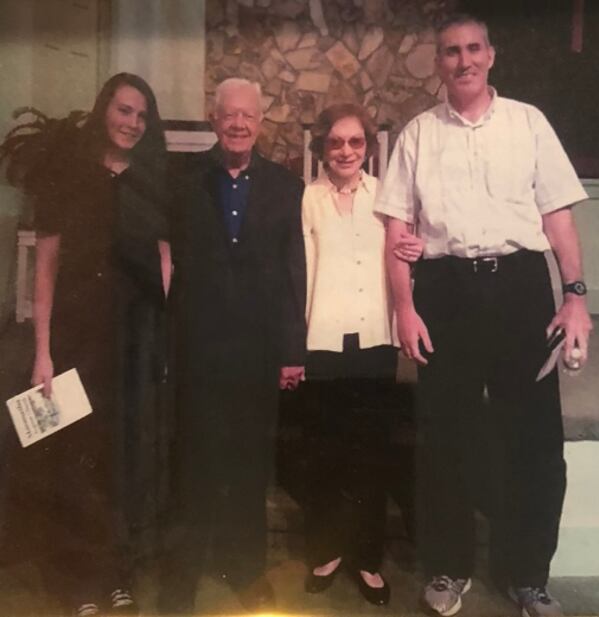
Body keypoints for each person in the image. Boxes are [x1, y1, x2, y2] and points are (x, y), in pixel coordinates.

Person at [376, 13, 592, 617]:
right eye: (451, 51)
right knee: (445, 437)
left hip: (521, 288)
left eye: (473, 49)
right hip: (445, 290)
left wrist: (574, 296)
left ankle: (528, 575)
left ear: (491, 55)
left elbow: (557, 218)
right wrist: (404, 307)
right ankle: (448, 568)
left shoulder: (529, 123)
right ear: (438, 61)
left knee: (535, 439)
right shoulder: (418, 134)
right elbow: (398, 228)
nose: (463, 60)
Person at [157, 77, 306, 614]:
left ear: (260, 122)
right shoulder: (183, 178)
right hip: (198, 347)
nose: (238, 124)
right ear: (214, 119)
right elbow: (166, 259)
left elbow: (295, 274)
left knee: (249, 467)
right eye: (229, 115)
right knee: (193, 464)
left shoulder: (288, 188)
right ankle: (180, 577)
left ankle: (244, 570)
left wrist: (292, 350)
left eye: (248, 115)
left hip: (258, 353)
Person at [29, 72, 171, 617]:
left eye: (141, 115)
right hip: (74, 337)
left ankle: (118, 575)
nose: (132, 123)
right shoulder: (64, 172)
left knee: (125, 457)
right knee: (75, 458)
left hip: (134, 339)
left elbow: (164, 261)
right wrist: (43, 351)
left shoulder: (153, 179)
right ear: (103, 109)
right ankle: (82, 583)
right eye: (124, 110)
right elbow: (44, 268)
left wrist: (161, 338)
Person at [300, 103, 422, 606]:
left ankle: (368, 558)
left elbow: (410, 250)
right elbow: (299, 268)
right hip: (323, 339)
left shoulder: (388, 200)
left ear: (368, 148)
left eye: (355, 142)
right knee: (327, 450)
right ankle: (328, 549)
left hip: (375, 337)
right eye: (336, 142)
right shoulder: (307, 199)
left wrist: (417, 249)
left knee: (371, 451)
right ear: (323, 149)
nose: (346, 151)